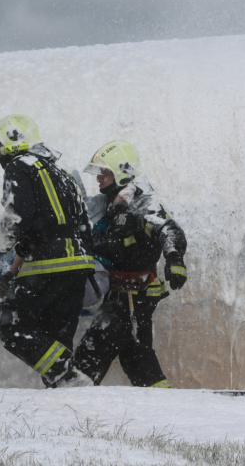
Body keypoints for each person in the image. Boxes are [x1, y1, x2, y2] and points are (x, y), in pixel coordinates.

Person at [0, 114, 95, 388]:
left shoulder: (19, 166)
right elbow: (84, 224)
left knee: (10, 323)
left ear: (12, 141)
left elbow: (17, 216)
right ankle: (68, 398)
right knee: (56, 341)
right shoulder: (61, 173)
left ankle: (67, 378)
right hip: (78, 267)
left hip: (48, 266)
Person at [72, 140, 187, 388]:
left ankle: (72, 403)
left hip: (134, 297)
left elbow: (168, 229)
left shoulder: (142, 204)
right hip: (120, 296)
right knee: (137, 359)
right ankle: (166, 408)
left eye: (104, 172)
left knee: (89, 356)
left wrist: (174, 258)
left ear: (121, 171)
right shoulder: (111, 205)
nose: (99, 178)